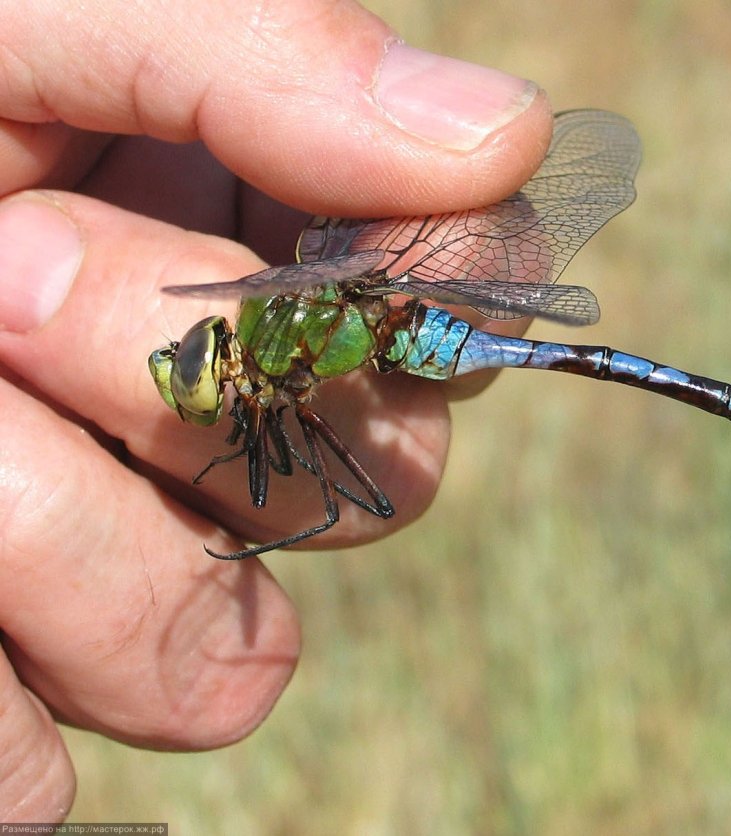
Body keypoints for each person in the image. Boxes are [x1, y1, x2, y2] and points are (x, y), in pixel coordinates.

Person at [0, 0, 553, 819]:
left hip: (395, 318)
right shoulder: (269, 361)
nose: (198, 369)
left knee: (335, 489)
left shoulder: (269, 360)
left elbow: (326, 493)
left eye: (200, 364)